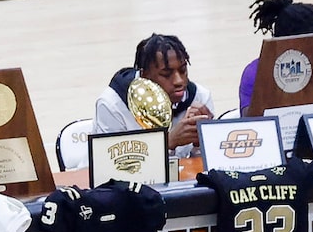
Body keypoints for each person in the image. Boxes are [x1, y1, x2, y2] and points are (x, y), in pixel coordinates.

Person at [91, 32, 220, 149]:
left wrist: (201, 143)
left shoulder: (200, 97)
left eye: (182, 70)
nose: (179, 81)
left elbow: (209, 166)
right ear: (144, 76)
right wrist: (168, 142)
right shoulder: (113, 105)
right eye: (166, 74)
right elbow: (112, 167)